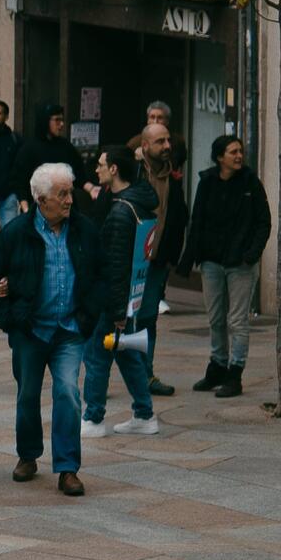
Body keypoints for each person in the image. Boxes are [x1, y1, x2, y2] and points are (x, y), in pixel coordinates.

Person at [0, 162, 98, 498]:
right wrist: (11, 321)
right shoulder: (16, 232)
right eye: (61, 194)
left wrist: (90, 315)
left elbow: (100, 274)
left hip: (69, 329)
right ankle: (28, 454)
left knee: (68, 393)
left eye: (70, 192)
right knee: (28, 394)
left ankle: (67, 468)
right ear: (39, 199)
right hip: (30, 329)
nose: (69, 200)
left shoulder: (84, 229)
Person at [180, 135, 271, 398]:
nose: (239, 156)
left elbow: (263, 222)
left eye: (240, 151)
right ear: (220, 157)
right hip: (211, 261)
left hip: (240, 263)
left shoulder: (250, 183)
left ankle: (235, 372)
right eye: (233, 152)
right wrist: (190, 258)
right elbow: (197, 221)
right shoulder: (207, 182)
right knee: (216, 318)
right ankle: (217, 365)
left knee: (237, 320)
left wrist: (251, 254)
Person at [79, 148, 160, 440]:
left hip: (115, 300)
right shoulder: (139, 204)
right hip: (131, 296)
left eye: (101, 165)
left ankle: (93, 417)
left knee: (97, 355)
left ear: (114, 169)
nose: (96, 170)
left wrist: (116, 311)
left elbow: (115, 266)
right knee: (126, 354)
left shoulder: (120, 212)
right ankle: (144, 413)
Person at [137, 121, 189, 396]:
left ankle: (146, 374)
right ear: (145, 146)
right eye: (160, 142)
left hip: (156, 262)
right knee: (115, 319)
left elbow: (178, 218)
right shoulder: (132, 173)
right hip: (129, 261)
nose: (167, 146)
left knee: (147, 319)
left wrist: (171, 256)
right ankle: (100, 377)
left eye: (168, 141)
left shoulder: (173, 179)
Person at [11, 104, 79, 217]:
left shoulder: (66, 146)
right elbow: (19, 182)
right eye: (57, 120)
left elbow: (79, 173)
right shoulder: (28, 149)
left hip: (66, 211)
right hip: (37, 210)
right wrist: (26, 209)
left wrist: (91, 189)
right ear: (45, 121)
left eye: (62, 120)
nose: (61, 124)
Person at [126, 100, 189, 172]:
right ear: (147, 120)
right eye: (152, 117)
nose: (155, 121)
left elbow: (180, 162)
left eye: (160, 118)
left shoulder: (178, 141)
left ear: (167, 121)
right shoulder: (135, 142)